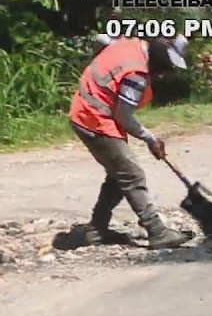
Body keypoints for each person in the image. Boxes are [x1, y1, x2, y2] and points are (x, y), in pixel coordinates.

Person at [68, 35, 193, 249]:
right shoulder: (136, 74)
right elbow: (124, 116)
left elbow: (100, 40)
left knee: (120, 173)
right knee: (131, 174)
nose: (163, 74)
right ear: (158, 59)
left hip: (87, 110)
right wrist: (150, 138)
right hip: (94, 118)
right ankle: (157, 231)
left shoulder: (131, 44)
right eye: (164, 68)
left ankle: (96, 230)